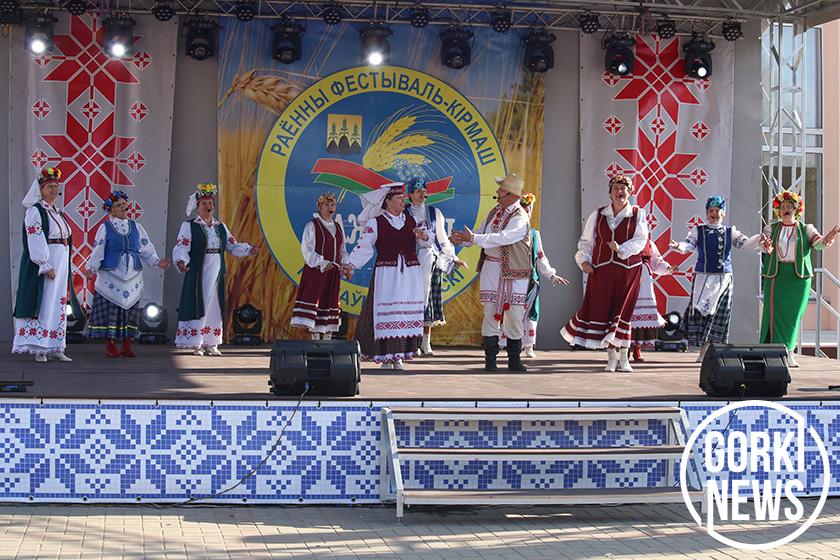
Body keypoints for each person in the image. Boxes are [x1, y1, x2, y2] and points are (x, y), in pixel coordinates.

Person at [561, 175, 648, 373]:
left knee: (623, 313)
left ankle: (624, 358)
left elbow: (641, 240)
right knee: (605, 312)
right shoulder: (599, 214)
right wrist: (583, 261)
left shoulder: (637, 214)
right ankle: (611, 358)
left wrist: (621, 249)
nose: (619, 192)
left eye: (623, 188)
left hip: (628, 271)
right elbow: (586, 241)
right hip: (603, 271)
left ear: (630, 192)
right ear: (610, 192)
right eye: (616, 188)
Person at [669, 195, 769, 362]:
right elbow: (689, 244)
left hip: (723, 279)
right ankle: (702, 351)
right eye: (711, 211)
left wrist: (760, 238)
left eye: (717, 211)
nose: (714, 214)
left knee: (717, 316)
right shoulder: (699, 231)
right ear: (707, 213)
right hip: (702, 278)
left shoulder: (730, 232)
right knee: (701, 313)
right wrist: (679, 246)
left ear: (723, 213)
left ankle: (710, 351)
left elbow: (745, 243)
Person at [342, 182, 430, 369]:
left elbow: (428, 241)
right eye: (399, 198)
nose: (403, 201)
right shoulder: (376, 223)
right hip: (387, 274)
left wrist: (424, 237)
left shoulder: (413, 221)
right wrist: (350, 264)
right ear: (388, 202)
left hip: (410, 274)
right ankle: (385, 356)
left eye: (402, 198)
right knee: (388, 312)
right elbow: (364, 247)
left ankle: (398, 356)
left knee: (404, 313)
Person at [450, 173, 532, 373]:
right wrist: (465, 239)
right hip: (492, 268)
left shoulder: (520, 217)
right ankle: (490, 360)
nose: (497, 192)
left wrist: (474, 238)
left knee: (514, 315)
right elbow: (481, 232)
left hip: (514, 272)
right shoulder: (495, 211)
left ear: (512, 195)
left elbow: (503, 237)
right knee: (490, 313)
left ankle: (514, 360)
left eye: (501, 190)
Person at [173, 183, 259, 356]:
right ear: (198, 206)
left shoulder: (220, 227)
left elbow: (231, 245)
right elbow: (182, 246)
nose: (209, 206)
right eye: (204, 203)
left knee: (214, 306)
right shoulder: (189, 226)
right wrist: (181, 261)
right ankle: (196, 343)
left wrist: (248, 249)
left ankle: (211, 342)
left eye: (211, 203)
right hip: (199, 272)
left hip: (217, 271)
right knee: (199, 303)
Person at [85, 191, 170, 357]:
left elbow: (145, 247)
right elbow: (98, 249)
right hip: (111, 274)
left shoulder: (136, 227)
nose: (123, 207)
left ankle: (126, 343)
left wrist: (157, 261)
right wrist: (91, 268)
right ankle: (110, 344)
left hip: (132, 275)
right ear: (111, 210)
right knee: (112, 310)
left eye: (124, 204)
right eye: (118, 205)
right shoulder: (105, 227)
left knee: (130, 310)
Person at [759, 189, 839, 367]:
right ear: (779, 210)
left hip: (798, 279)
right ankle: (774, 352)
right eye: (783, 207)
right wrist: (767, 247)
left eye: (789, 207)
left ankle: (789, 352)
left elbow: (818, 244)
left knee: (793, 317)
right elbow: (766, 247)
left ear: (796, 209)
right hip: (777, 276)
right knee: (775, 315)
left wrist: (828, 238)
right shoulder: (771, 228)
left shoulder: (806, 229)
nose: (786, 210)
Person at [13, 167, 83, 362]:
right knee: (43, 302)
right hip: (46, 263)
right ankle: (39, 349)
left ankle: (55, 345)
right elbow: (35, 238)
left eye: (56, 186)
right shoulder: (35, 211)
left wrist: (67, 264)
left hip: (60, 262)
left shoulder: (58, 213)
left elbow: (65, 239)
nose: (54, 189)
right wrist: (44, 264)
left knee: (58, 303)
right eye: (49, 186)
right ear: (41, 190)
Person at [499, 193, 569, 357]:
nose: (526, 212)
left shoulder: (534, 234)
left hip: (530, 281)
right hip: (511, 279)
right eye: (523, 209)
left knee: (530, 313)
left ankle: (528, 346)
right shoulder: (506, 233)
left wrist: (552, 275)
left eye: (528, 209)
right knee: (509, 311)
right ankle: (505, 344)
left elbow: (540, 256)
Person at [404, 177, 466, 355]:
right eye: (418, 191)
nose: (422, 194)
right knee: (410, 300)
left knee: (429, 300)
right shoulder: (403, 213)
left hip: (431, 260)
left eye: (424, 191)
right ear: (410, 194)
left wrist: (453, 257)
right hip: (409, 262)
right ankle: (412, 342)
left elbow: (442, 238)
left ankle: (426, 342)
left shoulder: (434, 212)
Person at [291, 193, 347, 339]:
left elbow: (342, 250)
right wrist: (322, 262)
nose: (330, 207)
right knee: (316, 301)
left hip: (332, 274)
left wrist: (346, 265)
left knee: (330, 302)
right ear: (319, 207)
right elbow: (307, 250)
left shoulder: (338, 227)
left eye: (333, 205)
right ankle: (315, 340)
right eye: (327, 205)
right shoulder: (312, 226)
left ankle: (327, 339)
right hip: (316, 273)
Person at [628, 240, 672, 362]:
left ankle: (637, 348)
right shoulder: (625, 238)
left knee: (642, 312)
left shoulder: (649, 243)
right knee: (628, 311)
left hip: (644, 280)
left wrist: (668, 268)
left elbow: (657, 262)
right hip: (628, 275)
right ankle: (624, 350)